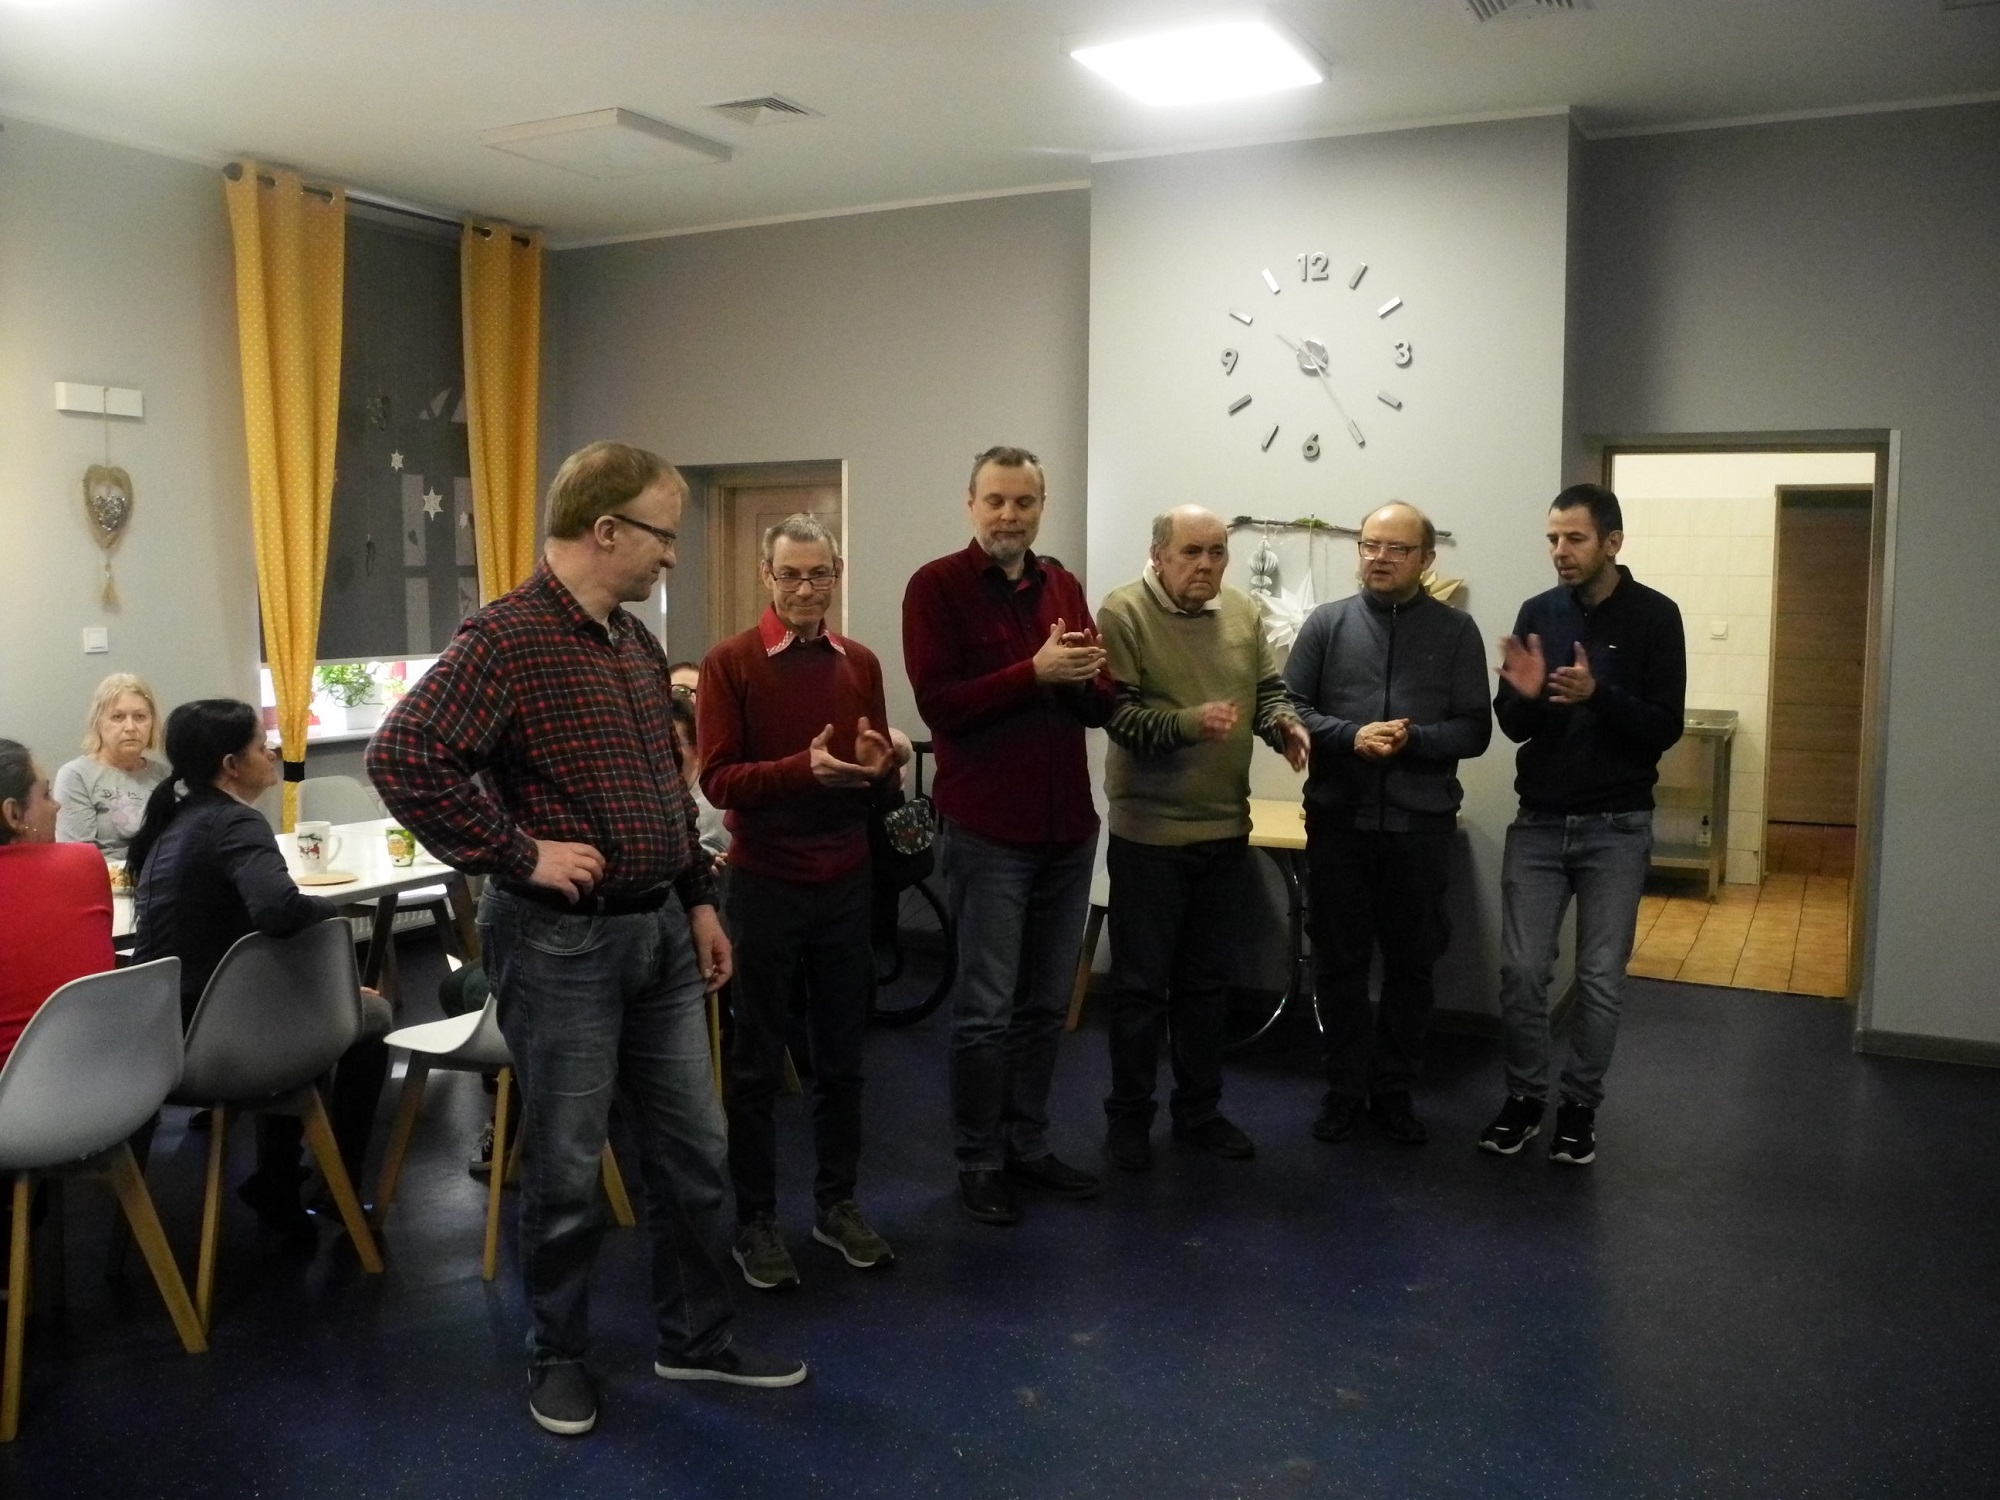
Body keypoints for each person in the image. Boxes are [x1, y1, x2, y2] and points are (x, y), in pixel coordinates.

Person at [367, 439, 804, 1439]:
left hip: (658, 933)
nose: (672, 555)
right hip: (560, 947)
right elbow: (405, 755)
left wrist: (697, 901)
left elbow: (664, 789)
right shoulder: (504, 639)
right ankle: (556, 1357)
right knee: (566, 1175)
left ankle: (694, 1338)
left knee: (695, 1156)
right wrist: (517, 853)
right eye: (662, 536)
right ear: (605, 530)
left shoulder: (633, 645)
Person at [902, 445, 1114, 1226]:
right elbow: (939, 706)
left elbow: (1095, 702)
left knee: (1045, 1005)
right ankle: (978, 1159)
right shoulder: (936, 587)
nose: (1009, 515)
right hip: (990, 830)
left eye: (1024, 502)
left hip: (1067, 828)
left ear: (1040, 508)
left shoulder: (1062, 585)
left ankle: (1027, 1143)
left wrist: (1093, 679)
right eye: (995, 500)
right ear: (970, 504)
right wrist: (1034, 672)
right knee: (986, 1009)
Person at [698, 513, 906, 1287]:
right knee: (755, 1062)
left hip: (846, 880)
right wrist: (799, 770)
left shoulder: (860, 662)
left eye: (820, 574)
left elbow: (873, 777)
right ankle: (754, 1221)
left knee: (844, 1057)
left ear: (837, 575)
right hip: (764, 883)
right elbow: (718, 780)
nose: (807, 589)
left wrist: (882, 768)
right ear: (767, 576)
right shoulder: (731, 663)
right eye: (791, 574)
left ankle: (836, 1205)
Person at [1095, 506, 1309, 1171]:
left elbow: (1267, 691)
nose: (1207, 565)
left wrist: (1284, 727)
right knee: (1139, 990)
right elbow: (1120, 717)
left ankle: (1199, 1112)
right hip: (1150, 834)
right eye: (1192, 552)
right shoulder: (1123, 612)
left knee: (1207, 985)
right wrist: (1192, 723)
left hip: (1224, 827)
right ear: (1158, 554)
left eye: (1217, 552)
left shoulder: (1241, 612)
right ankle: (1129, 1119)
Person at [127, 699, 390, 1234]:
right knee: (374, 1017)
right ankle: (337, 1186)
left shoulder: (177, 822)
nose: (271, 751)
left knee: (311, 1011)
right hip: (219, 1042)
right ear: (231, 764)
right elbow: (278, 910)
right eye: (259, 744)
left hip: (166, 1033)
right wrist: (329, 910)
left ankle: (279, 1178)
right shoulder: (235, 823)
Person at [1480, 483, 1685, 1166]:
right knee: (1521, 972)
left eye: (1574, 538)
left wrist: (1598, 695)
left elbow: (1664, 727)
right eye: (1552, 538)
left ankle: (1578, 1110)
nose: (1560, 551)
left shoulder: (1657, 616)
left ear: (1612, 542)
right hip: (1539, 822)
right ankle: (1523, 1099)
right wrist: (1528, 697)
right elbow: (1511, 724)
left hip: (1617, 826)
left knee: (1599, 979)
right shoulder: (1538, 612)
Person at [1283, 503, 1493, 1147]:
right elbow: (1287, 709)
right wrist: (1349, 736)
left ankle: (1395, 1091)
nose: (1379, 557)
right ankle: (1344, 1090)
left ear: (1426, 559)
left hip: (1419, 826)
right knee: (1339, 962)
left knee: (1412, 964)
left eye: (1397, 548)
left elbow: (1475, 730)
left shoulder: (1456, 631)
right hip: (1339, 821)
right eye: (1370, 544)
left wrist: (1414, 739)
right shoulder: (1327, 624)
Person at [0, 738, 115, 1072]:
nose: (57, 806)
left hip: (13, 1090)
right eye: (47, 794)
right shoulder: (85, 862)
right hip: (110, 1077)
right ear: (13, 813)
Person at [53, 672, 170, 862]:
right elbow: (77, 858)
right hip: (103, 878)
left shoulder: (165, 776)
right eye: (118, 717)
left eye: (140, 717)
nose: (130, 727)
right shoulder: (76, 775)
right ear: (98, 722)